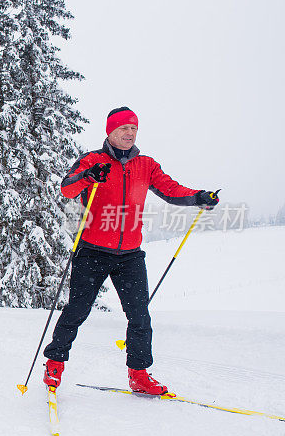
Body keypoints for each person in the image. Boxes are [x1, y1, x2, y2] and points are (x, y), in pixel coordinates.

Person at [42, 106, 219, 395]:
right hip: (93, 251)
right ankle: (55, 365)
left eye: (134, 128)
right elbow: (67, 188)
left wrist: (198, 197)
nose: (130, 133)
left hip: (130, 255)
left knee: (139, 316)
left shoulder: (145, 164)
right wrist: (89, 176)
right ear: (110, 132)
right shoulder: (93, 160)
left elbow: (171, 190)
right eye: (124, 128)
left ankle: (138, 374)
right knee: (77, 310)